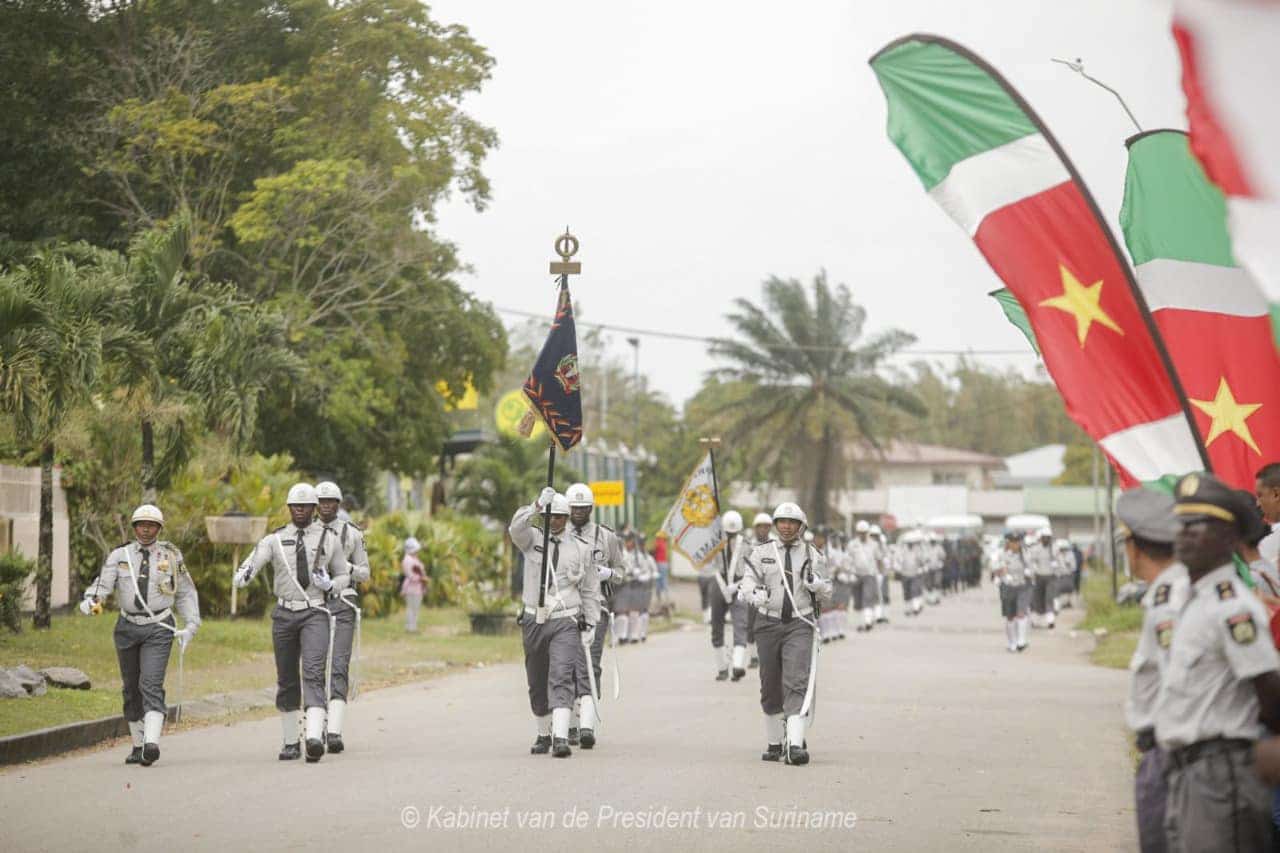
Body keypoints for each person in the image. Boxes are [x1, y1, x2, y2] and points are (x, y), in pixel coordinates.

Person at [1157, 473, 1280, 852]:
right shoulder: (1195, 601)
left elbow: (1269, 690)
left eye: (1201, 526)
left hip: (1222, 772)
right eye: (1183, 524)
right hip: (1186, 770)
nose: (1186, 534)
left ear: (1228, 539)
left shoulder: (1233, 608)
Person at [234, 483, 350, 762]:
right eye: (295, 507)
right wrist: (243, 575)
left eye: (305, 506)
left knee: (312, 671)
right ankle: (289, 741)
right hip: (285, 614)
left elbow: (343, 574)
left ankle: (312, 738)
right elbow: (253, 563)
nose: (300, 511)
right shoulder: (275, 539)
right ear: (289, 509)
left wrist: (331, 584)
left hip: (315, 611)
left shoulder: (328, 537)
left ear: (313, 509)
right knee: (286, 678)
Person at [80, 504, 200, 766]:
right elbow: (103, 584)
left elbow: (185, 592)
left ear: (159, 528)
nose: (146, 529)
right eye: (141, 524)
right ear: (134, 527)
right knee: (131, 687)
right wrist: (91, 600)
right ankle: (137, 744)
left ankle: (151, 744)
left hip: (159, 626)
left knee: (151, 683)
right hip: (127, 626)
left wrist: (191, 624)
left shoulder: (171, 556)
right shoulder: (119, 555)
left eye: (152, 525)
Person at [1117, 487, 1185, 853]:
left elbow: (1183, 682)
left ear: (1135, 547)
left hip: (1175, 757)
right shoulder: (1168, 592)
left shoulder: (1169, 599)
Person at [509, 488, 600, 758]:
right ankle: (544, 733)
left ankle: (561, 737)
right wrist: (536, 506)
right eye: (550, 516)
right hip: (533, 617)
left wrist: (591, 623)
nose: (555, 521)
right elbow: (515, 529)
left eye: (560, 516)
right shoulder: (531, 539)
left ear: (568, 517)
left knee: (561, 675)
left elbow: (590, 589)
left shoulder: (581, 548)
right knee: (536, 680)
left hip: (565, 619)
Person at [739, 502, 832, 766]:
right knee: (770, 685)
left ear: (801, 526)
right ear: (775, 525)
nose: (787, 526)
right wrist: (754, 593)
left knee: (796, 681)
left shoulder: (814, 555)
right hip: (767, 623)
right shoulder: (761, 553)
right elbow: (747, 582)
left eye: (792, 522)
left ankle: (794, 744)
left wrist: (818, 585)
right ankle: (775, 742)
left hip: (799, 624)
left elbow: (828, 591)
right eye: (782, 521)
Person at [564, 482, 623, 749]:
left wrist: (607, 574)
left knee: (590, 663)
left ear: (591, 508)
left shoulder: (605, 536)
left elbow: (621, 572)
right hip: (563, 609)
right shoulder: (558, 533)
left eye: (582, 508)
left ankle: (587, 724)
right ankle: (572, 725)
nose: (577, 512)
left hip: (594, 608)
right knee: (566, 666)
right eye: (573, 508)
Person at [316, 481, 369, 754]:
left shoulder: (352, 534)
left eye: (330, 501)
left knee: (338, 665)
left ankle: (334, 731)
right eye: (321, 501)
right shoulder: (304, 533)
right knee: (314, 667)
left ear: (338, 505)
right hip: (313, 604)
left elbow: (364, 573)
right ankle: (315, 727)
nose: (325, 505)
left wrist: (343, 565)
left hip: (343, 601)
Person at [712, 510, 749, 681]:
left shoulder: (747, 545)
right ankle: (721, 668)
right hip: (719, 584)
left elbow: (751, 569)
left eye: (733, 534)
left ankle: (737, 666)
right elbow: (709, 565)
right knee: (716, 625)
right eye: (728, 533)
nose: (730, 536)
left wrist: (738, 585)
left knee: (740, 624)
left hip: (739, 585)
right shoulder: (715, 544)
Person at [993, 531, 1031, 652]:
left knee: (1021, 613)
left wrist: (1029, 572)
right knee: (1010, 616)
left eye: (1017, 542)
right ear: (1008, 543)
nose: (1015, 545)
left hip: (1022, 586)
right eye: (1012, 542)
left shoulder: (1025, 554)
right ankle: (1012, 642)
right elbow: (995, 568)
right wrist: (1002, 573)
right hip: (1007, 587)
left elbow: (1033, 566)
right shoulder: (1002, 554)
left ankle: (1021, 641)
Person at [848, 522, 879, 633]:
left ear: (867, 533)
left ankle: (867, 622)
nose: (862, 535)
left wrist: (879, 573)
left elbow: (878, 559)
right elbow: (849, 560)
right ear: (857, 533)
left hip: (869, 574)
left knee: (868, 597)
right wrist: (850, 573)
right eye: (860, 533)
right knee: (857, 601)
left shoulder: (874, 544)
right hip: (856, 574)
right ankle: (860, 623)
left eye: (864, 533)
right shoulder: (852, 544)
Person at [1027, 527, 1058, 629]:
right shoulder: (1036, 548)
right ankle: (1036, 620)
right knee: (1037, 599)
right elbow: (1031, 562)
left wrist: (1056, 567)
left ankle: (1050, 620)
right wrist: (1032, 573)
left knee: (1049, 598)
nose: (1046, 539)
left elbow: (1058, 561)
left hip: (1050, 577)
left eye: (1048, 538)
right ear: (1041, 538)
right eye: (1044, 537)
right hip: (1038, 576)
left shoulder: (1054, 548)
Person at [400, 537, 427, 632]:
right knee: (411, 608)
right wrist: (421, 578)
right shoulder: (407, 560)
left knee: (415, 608)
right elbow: (411, 575)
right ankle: (410, 627)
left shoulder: (414, 558)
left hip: (418, 587)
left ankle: (413, 626)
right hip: (411, 587)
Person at [653, 531, 670, 605]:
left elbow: (654, 549)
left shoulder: (658, 542)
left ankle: (660, 599)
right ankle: (666, 598)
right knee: (664, 580)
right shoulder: (665, 543)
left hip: (659, 563)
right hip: (665, 563)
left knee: (658, 581)